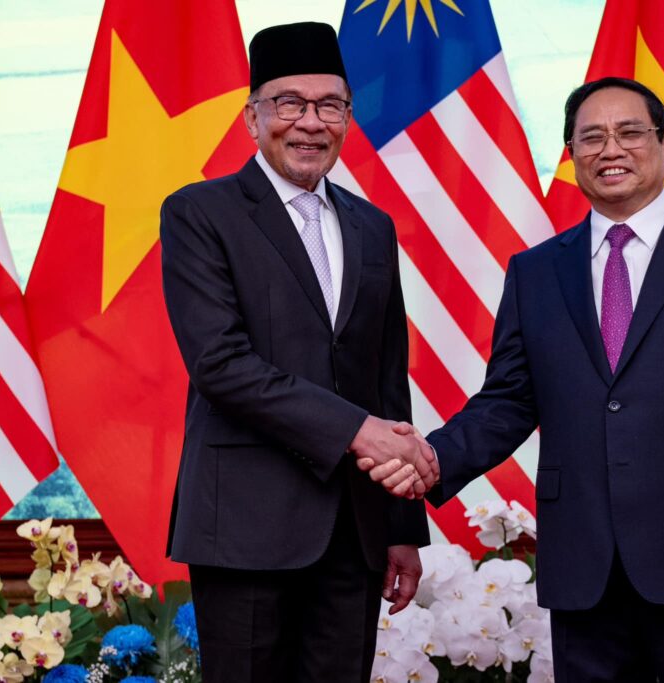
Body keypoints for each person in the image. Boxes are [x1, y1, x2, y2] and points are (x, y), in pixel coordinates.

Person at [373, 76, 664, 681]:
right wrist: (431, 460)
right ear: (571, 153)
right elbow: (508, 401)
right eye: (592, 137)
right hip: (585, 568)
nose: (611, 149)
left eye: (630, 132)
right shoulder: (536, 271)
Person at [160, 22, 435, 683]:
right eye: (290, 103)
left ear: (347, 118)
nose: (311, 123)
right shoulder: (200, 212)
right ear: (253, 117)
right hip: (244, 523)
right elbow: (221, 364)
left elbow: (385, 382)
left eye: (330, 105)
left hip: (355, 529)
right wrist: (357, 431)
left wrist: (402, 525)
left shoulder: (372, 225)